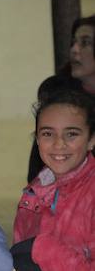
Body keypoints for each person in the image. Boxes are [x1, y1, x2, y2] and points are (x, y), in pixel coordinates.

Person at [12, 90, 95, 271]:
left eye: (72, 134)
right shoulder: (33, 196)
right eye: (48, 134)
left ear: (91, 139)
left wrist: (41, 250)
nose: (59, 144)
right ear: (37, 139)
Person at [28, 15, 95, 182]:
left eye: (85, 43)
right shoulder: (56, 97)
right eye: (73, 42)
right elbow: (37, 170)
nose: (74, 50)